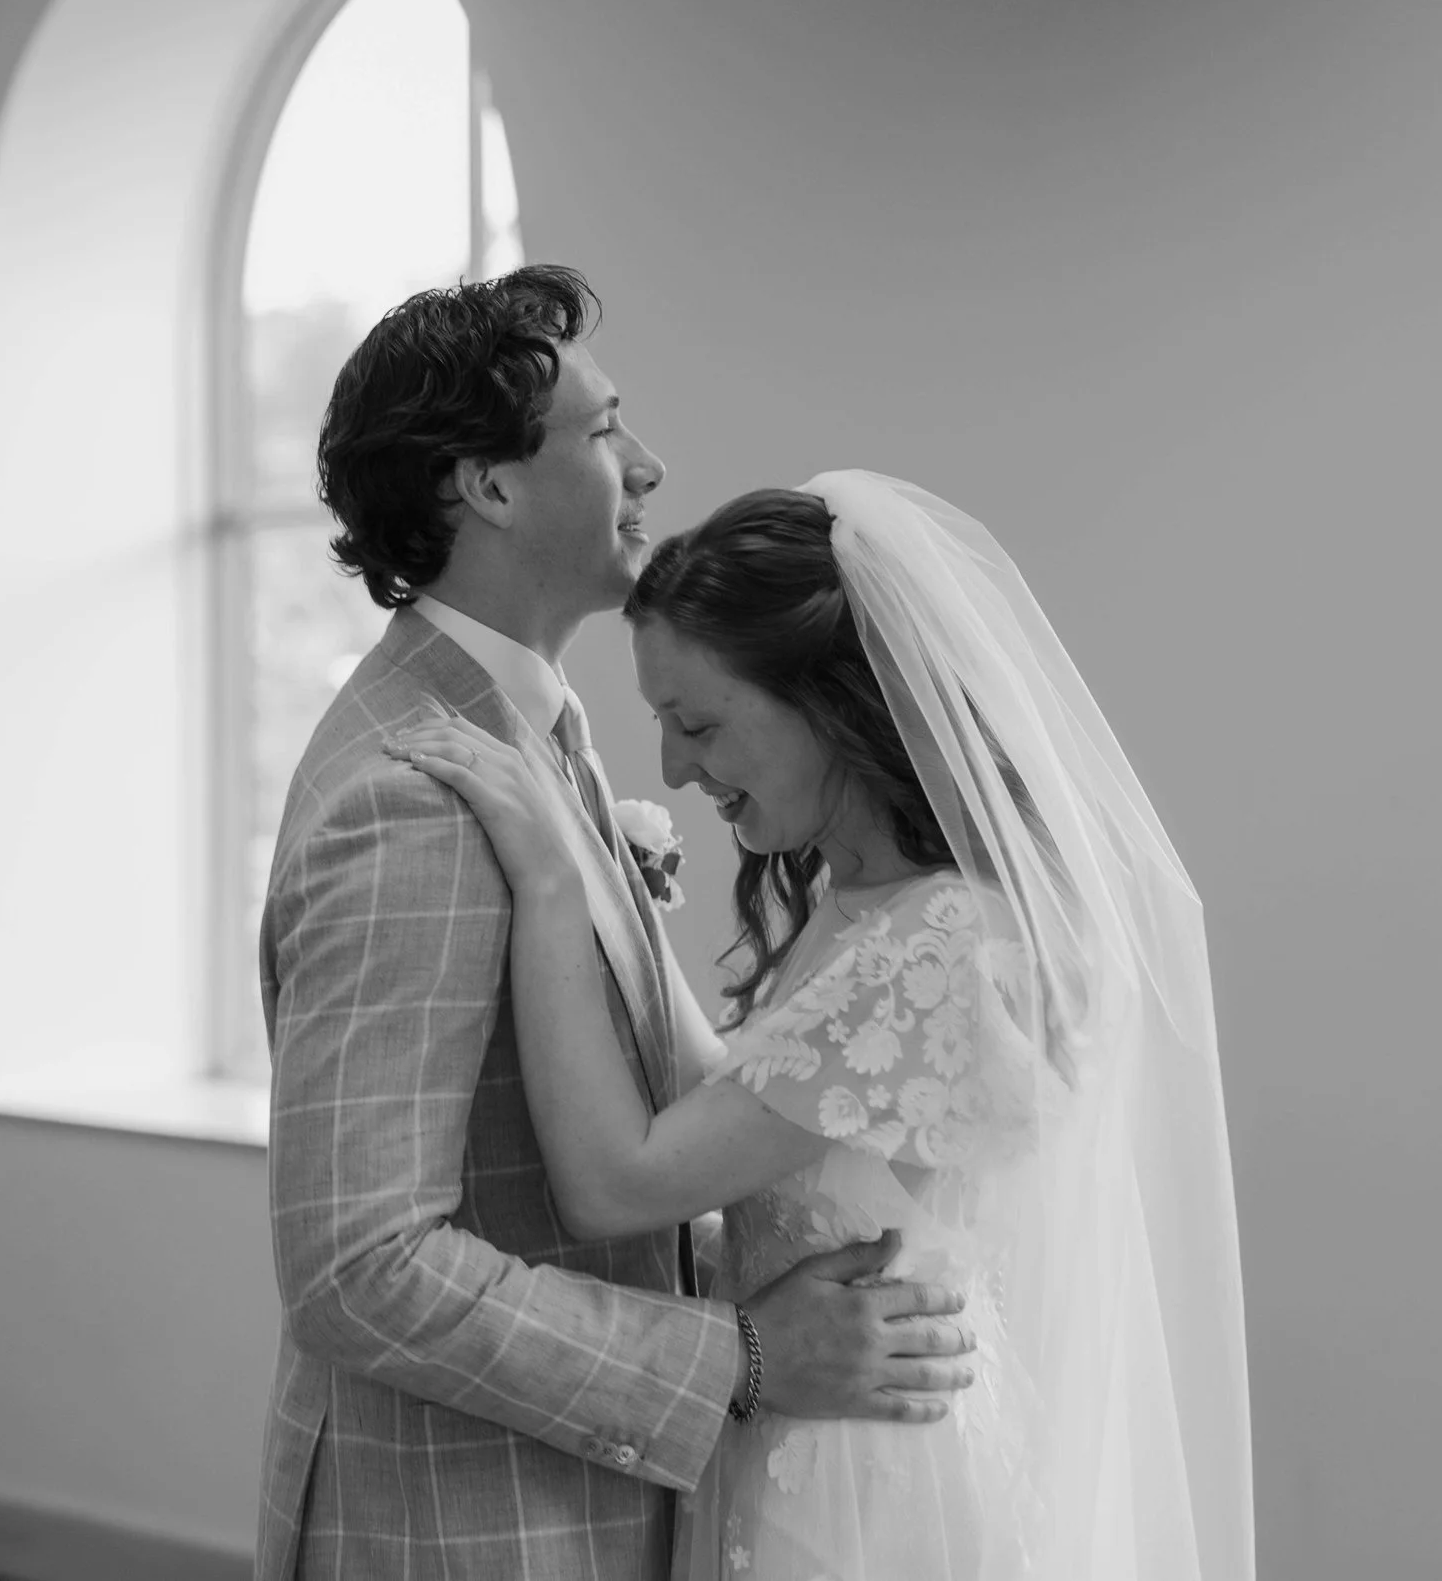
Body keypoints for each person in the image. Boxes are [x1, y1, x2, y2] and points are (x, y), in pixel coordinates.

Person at [394, 473, 1255, 1578]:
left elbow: (620, 1180)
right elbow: (749, 1101)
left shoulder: (944, 940)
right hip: (808, 1439)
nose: (672, 766)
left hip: (866, 1491)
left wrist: (557, 888)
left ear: (835, 701)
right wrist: (614, 879)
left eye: (697, 722)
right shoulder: (864, 906)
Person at [255, 268, 978, 1581]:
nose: (647, 464)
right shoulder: (413, 794)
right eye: (601, 430)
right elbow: (359, 1262)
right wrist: (744, 1356)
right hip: (475, 1531)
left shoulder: (541, 737)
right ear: (487, 482)